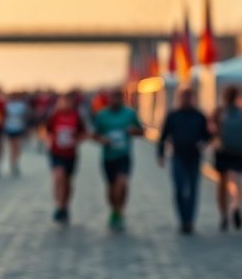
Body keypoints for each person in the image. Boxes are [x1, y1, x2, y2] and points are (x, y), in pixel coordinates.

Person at [156, 87, 211, 234]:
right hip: (178, 157)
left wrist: (203, 143)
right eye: (183, 97)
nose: (186, 100)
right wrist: (160, 154)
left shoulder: (199, 116)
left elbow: (207, 135)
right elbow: (163, 136)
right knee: (180, 189)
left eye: (188, 96)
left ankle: (189, 221)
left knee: (192, 189)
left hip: (194, 157)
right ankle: (183, 219)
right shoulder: (173, 116)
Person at [90, 87, 143, 231]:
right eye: (113, 97)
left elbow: (141, 131)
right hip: (108, 157)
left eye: (118, 97)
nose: (115, 100)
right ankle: (114, 209)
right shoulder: (102, 115)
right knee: (111, 186)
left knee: (122, 183)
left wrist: (134, 131)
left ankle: (120, 210)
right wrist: (102, 139)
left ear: (122, 98)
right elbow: (94, 135)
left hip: (124, 156)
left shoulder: (130, 114)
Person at [210, 85, 242, 232]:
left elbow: (212, 129)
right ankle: (236, 205)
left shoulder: (219, 111)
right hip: (239, 151)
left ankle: (224, 215)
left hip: (223, 151)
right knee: (237, 181)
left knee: (222, 183)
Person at [45, 91, 87, 224]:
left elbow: (84, 133)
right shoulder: (54, 116)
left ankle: (65, 205)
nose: (64, 104)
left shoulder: (76, 117)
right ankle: (58, 205)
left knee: (68, 181)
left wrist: (76, 140)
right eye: (62, 102)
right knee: (59, 177)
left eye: (67, 102)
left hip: (70, 154)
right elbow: (46, 131)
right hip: (56, 153)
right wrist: (50, 139)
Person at [3, 91, 30, 177]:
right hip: (10, 127)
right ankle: (13, 162)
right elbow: (4, 116)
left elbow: (25, 116)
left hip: (18, 127)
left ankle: (15, 162)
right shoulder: (7, 105)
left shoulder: (21, 106)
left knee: (17, 146)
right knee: (13, 147)